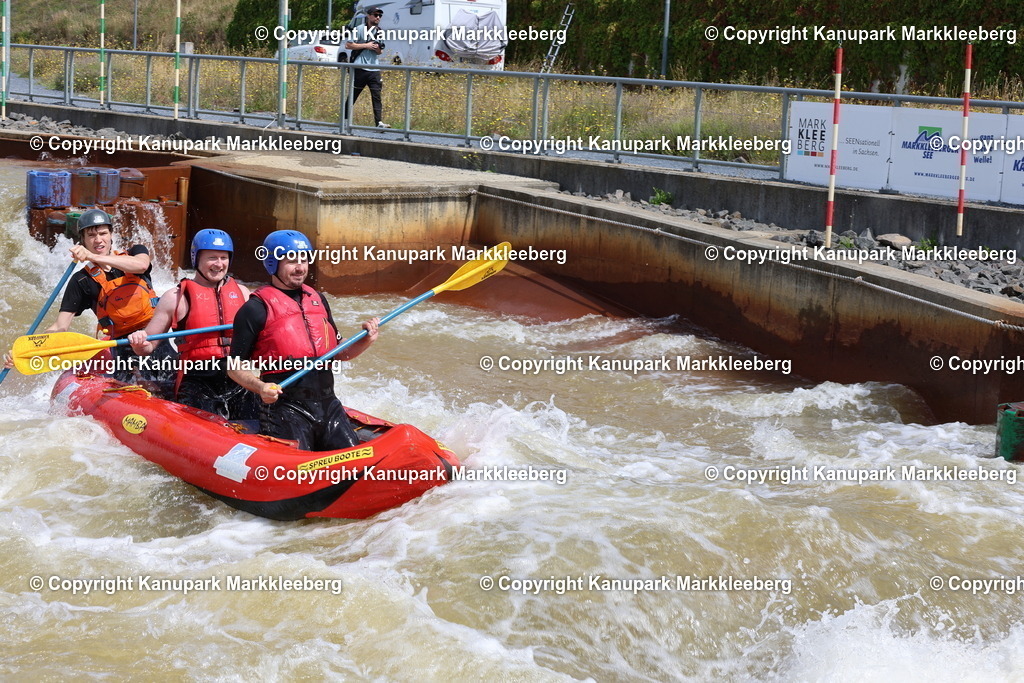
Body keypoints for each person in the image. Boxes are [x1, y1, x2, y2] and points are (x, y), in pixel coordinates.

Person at [227, 230, 380, 451]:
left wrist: (366, 340)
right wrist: (261, 387)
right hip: (286, 410)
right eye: (291, 261)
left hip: (329, 407)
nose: (301, 267)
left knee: (358, 460)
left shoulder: (318, 300)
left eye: (304, 259)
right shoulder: (255, 309)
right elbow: (234, 367)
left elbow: (339, 351)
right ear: (273, 263)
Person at [18, 209, 164, 382]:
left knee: (167, 384)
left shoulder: (135, 253)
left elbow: (141, 265)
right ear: (83, 240)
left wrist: (94, 256)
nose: (98, 240)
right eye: (91, 235)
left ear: (111, 235)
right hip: (121, 346)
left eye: (103, 233)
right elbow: (60, 326)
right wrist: (30, 349)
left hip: (156, 336)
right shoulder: (81, 281)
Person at [128, 229, 258, 422]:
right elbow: (147, 346)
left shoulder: (243, 293)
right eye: (212, 257)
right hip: (197, 380)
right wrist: (139, 342)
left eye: (224, 257)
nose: (219, 264)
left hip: (239, 377)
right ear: (196, 259)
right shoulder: (176, 297)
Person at [345, 6, 390, 128]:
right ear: (369, 16)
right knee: (354, 94)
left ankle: (379, 122)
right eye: (375, 15)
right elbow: (348, 45)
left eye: (380, 15)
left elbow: (380, 52)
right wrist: (366, 45)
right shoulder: (359, 29)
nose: (378, 17)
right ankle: (344, 120)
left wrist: (377, 48)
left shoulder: (380, 31)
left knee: (377, 96)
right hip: (360, 67)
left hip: (374, 68)